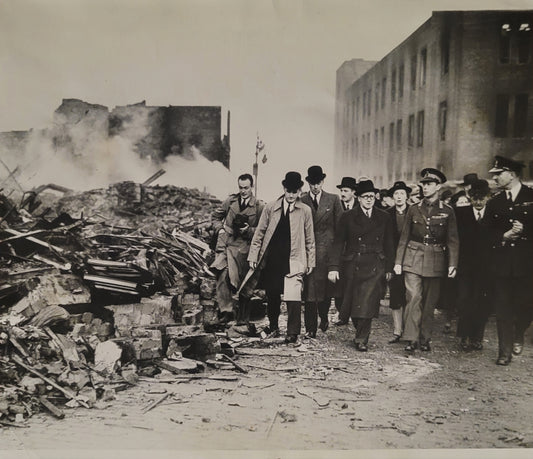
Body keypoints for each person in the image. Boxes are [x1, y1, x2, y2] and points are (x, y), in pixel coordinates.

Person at [238, 171, 315, 343]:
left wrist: (310, 261)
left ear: (299, 192)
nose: (291, 195)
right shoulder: (271, 207)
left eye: (294, 192)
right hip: (273, 259)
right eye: (288, 191)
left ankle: (292, 332)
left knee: (293, 296)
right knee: (273, 294)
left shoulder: (305, 211)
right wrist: (253, 255)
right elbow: (259, 233)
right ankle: (273, 326)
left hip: (294, 258)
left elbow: (310, 239)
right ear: (284, 189)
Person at [394, 168, 459, 352]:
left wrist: (453, 264)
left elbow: (453, 240)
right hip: (413, 257)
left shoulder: (447, 211)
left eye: (429, 184)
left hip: (437, 259)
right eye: (423, 184)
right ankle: (411, 338)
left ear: (438, 186)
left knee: (430, 302)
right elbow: (404, 237)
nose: (425, 187)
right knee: (413, 297)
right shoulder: (414, 209)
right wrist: (398, 261)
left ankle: (425, 338)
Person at [328, 180, 394, 351]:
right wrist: (334, 267)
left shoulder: (384, 216)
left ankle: (361, 338)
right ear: (358, 198)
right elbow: (338, 243)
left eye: (372, 197)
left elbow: (389, 244)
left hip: (375, 264)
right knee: (352, 303)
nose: (369, 200)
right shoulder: (347, 217)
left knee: (367, 301)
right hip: (353, 264)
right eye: (365, 197)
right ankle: (360, 329)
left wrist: (389, 268)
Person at [484, 156, 533, 365]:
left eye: (498, 174)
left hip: (527, 264)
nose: (495, 178)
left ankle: (519, 332)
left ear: (511, 175)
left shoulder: (531, 196)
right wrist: (503, 236)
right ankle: (504, 352)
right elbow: (486, 233)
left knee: (526, 304)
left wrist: (525, 231)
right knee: (502, 307)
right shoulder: (494, 202)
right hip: (502, 264)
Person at [210, 174, 264, 323]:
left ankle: (242, 316)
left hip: (245, 249)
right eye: (240, 187)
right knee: (222, 274)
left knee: (244, 281)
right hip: (227, 244)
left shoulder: (259, 206)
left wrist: (248, 230)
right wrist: (219, 229)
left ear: (251, 187)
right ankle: (226, 312)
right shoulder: (230, 201)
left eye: (246, 188)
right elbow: (215, 217)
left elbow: (262, 230)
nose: (243, 191)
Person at [300, 166, 343, 338]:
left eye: (318, 183)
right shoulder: (302, 200)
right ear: (308, 183)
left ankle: (323, 316)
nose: (315, 187)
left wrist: (336, 255)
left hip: (327, 252)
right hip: (308, 250)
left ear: (323, 182)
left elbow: (340, 229)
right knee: (310, 291)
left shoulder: (333, 199)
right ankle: (311, 328)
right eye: (312, 183)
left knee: (325, 291)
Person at [455, 179, 492, 351]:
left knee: (482, 302)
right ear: (470, 197)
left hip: (486, 268)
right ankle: (463, 336)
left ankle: (477, 337)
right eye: (474, 198)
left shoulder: (493, 214)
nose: (478, 202)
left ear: (488, 197)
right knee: (464, 300)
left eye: (481, 198)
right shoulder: (460, 213)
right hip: (465, 267)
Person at [386, 181, 412, 343]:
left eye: (402, 193)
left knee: (411, 294)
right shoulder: (387, 214)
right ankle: (397, 330)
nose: (399, 197)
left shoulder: (414, 212)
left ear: (407, 196)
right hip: (393, 259)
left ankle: (410, 330)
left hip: (412, 259)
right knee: (395, 293)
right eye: (396, 194)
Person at [334, 176, 358, 326]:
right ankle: (342, 314)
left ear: (353, 192)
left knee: (353, 284)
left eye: (346, 191)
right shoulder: (337, 205)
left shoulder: (359, 207)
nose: (343, 193)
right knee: (338, 285)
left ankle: (353, 314)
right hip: (339, 251)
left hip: (354, 252)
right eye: (341, 190)